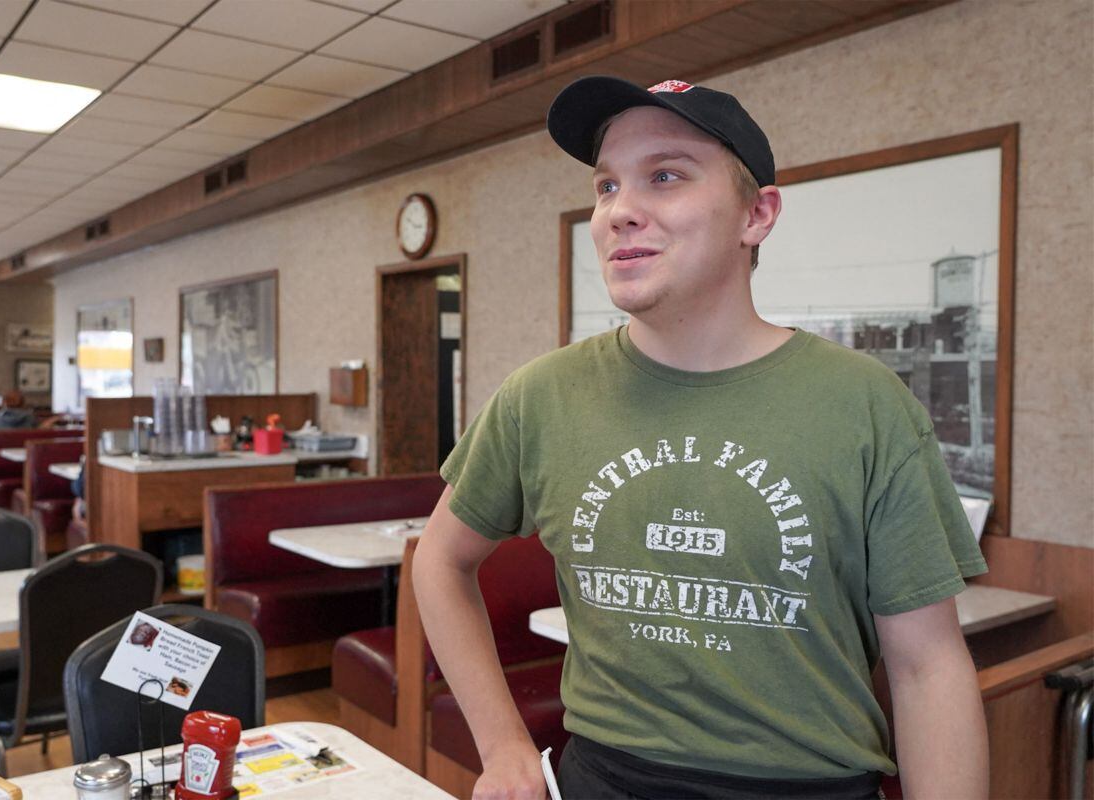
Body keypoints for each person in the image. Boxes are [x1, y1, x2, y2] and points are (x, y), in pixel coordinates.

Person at [413, 76, 989, 800]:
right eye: (606, 186)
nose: (621, 210)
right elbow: (439, 561)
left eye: (665, 176)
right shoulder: (541, 396)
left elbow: (927, 667)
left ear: (757, 213)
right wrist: (503, 747)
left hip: (809, 785)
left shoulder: (867, 406)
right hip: (604, 777)